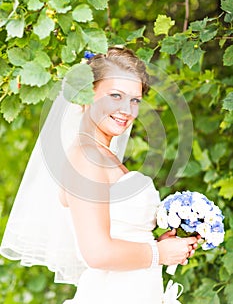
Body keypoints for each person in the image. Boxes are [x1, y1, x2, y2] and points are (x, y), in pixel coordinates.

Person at [0, 47, 198, 304]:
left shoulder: (104, 155)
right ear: (86, 93)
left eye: (135, 100)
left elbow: (117, 234)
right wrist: (158, 253)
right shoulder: (86, 159)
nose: (127, 110)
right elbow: (96, 252)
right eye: (115, 95)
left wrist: (158, 244)